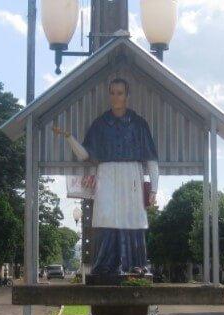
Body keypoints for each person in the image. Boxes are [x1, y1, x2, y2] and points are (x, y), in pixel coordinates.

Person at [53, 78, 159, 277]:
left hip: (131, 175)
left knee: (132, 218)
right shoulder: (100, 124)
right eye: (112, 92)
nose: (116, 97)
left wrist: (154, 188)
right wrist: (69, 137)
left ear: (127, 96)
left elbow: (152, 159)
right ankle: (104, 266)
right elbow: (85, 155)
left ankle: (134, 265)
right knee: (106, 217)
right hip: (107, 175)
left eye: (120, 93)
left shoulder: (139, 124)